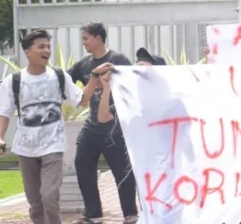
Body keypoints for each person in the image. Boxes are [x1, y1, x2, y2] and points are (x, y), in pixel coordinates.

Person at [0, 29, 86, 224]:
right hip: (25, 148)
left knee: (49, 195)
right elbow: (4, 112)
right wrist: (1, 137)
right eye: (41, 47)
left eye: (48, 46)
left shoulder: (59, 76)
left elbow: (80, 100)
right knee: (35, 203)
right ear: (27, 52)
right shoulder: (14, 81)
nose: (47, 50)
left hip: (53, 146)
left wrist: (96, 79)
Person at [67, 22, 138, 224]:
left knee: (122, 172)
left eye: (86, 38)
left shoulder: (118, 60)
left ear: (98, 38)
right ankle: (94, 214)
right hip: (92, 126)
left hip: (115, 128)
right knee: (82, 164)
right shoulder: (83, 64)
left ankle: (130, 214)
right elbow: (65, 80)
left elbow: (133, 86)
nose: (83, 43)